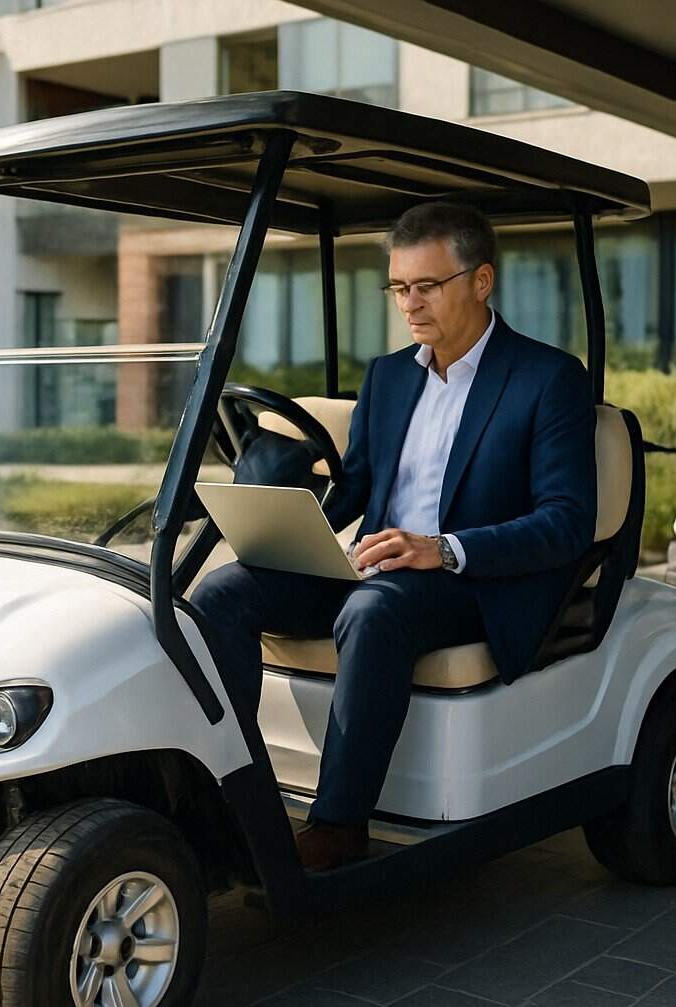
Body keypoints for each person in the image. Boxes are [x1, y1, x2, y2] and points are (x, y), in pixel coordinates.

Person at [191, 201, 597, 871]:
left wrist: (441, 549)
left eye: (426, 286)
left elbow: (566, 521)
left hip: (472, 581)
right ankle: (237, 801)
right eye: (399, 287)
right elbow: (357, 490)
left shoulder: (548, 379)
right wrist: (278, 514)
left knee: (372, 608)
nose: (409, 304)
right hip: (378, 571)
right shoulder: (386, 377)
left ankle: (339, 825)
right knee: (222, 593)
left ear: (481, 280)